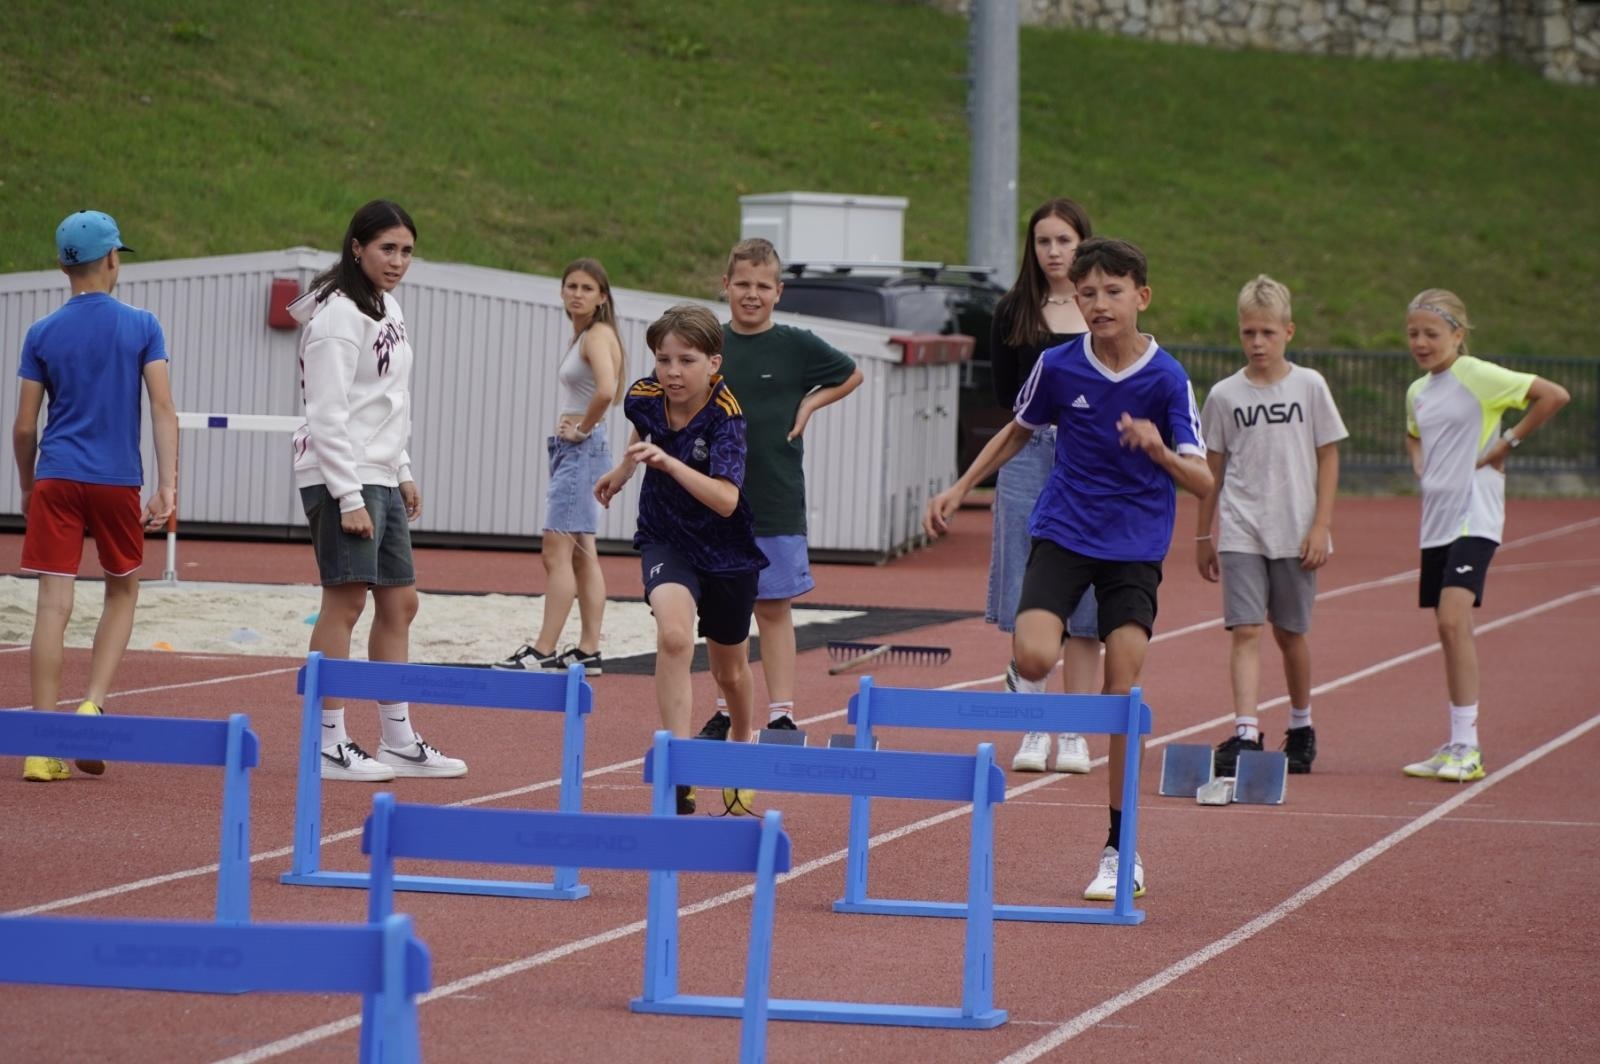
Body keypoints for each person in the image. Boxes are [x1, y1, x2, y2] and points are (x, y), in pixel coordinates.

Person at [925, 238, 1212, 901]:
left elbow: (1202, 478)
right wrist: (959, 486)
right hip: (1065, 531)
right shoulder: (1058, 366)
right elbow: (1016, 430)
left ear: (1141, 296)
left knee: (1122, 689)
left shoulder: (1167, 378)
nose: (1100, 304)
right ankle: (1028, 671)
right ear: (1074, 301)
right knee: (1031, 659)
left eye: (1113, 291)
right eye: (1088, 294)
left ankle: (1120, 847)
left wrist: (1158, 448)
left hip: (1134, 546)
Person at [289, 199, 466, 782]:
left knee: (401, 601)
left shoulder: (387, 306)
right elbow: (327, 411)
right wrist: (348, 495)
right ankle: (327, 741)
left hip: (381, 472)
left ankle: (397, 739)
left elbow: (390, 398)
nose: (398, 261)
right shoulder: (338, 315)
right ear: (358, 247)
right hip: (343, 473)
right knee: (345, 601)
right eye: (387, 248)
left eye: (407, 250)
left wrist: (403, 468)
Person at [929, 197, 1101, 776]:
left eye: (1065, 241)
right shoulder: (1012, 313)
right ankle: (1033, 724)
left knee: (1085, 600)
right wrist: (962, 484)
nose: (1054, 252)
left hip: (1089, 463)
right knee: (1029, 591)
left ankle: (1074, 731)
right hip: (1028, 453)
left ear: (1083, 245)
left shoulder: (1100, 309)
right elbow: (1011, 404)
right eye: (1043, 241)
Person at [12, 210, 177, 782]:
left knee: (52, 608)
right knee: (122, 593)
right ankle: (93, 704)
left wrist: (29, 486)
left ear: (63, 265)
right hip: (114, 480)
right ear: (112, 259)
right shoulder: (142, 325)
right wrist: (167, 486)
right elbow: (161, 407)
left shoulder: (41, 334)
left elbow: (24, 428)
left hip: (56, 477)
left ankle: (39, 744)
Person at [595, 304, 768, 815]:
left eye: (685, 361)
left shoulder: (727, 416)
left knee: (730, 671)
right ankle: (679, 764)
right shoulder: (645, 396)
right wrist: (625, 470)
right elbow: (643, 428)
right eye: (663, 360)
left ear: (713, 364)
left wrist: (668, 463)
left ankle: (741, 745)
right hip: (665, 535)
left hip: (725, 549)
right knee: (673, 636)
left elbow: (726, 499)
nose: (671, 372)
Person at [691, 238, 862, 743]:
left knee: (773, 608)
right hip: (718, 502)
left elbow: (853, 374)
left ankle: (782, 714)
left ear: (778, 291)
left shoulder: (797, 344)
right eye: (742, 284)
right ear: (725, 286)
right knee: (726, 611)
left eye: (762, 286)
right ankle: (725, 709)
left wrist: (810, 405)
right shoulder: (709, 346)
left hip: (777, 499)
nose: (751, 294)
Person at [1399, 289, 1568, 782]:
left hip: (1475, 517)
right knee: (1449, 631)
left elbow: (1553, 394)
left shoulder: (1476, 376)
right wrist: (1420, 465)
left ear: (1458, 335)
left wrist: (1506, 443)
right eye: (1413, 334)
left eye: (1432, 333)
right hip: (1436, 521)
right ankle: (1455, 740)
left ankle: (1469, 747)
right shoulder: (1418, 391)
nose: (1421, 343)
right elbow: (1414, 431)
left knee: (1453, 620)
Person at [1195, 275, 1347, 776]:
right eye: (1248, 333)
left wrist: (1321, 524)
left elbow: (1328, 455)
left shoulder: (1309, 386)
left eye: (1267, 333)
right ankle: (1245, 732)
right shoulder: (1223, 395)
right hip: (1242, 530)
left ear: (1288, 332)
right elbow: (1210, 471)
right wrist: (1203, 534)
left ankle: (1301, 725)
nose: (1257, 343)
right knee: (1245, 630)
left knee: (1291, 633)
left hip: (1295, 529)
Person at [495, 258, 624, 676]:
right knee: (584, 554)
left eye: (587, 288)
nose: (577, 294)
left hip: (582, 452)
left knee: (557, 551)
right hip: (581, 451)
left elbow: (607, 391)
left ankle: (544, 650)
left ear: (602, 296)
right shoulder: (587, 335)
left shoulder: (596, 335)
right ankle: (588, 650)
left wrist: (581, 430)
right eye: (571, 286)